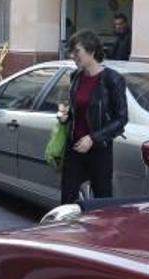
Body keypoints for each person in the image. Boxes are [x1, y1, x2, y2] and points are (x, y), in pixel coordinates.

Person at [57, 30, 128, 204]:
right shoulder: (76, 77)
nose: (73, 56)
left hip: (99, 151)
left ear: (91, 51)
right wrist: (65, 116)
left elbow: (121, 119)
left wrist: (93, 138)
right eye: (72, 52)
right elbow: (75, 110)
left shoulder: (112, 79)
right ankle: (68, 231)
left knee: (102, 202)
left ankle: (99, 232)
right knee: (67, 201)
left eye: (77, 51)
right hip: (74, 148)